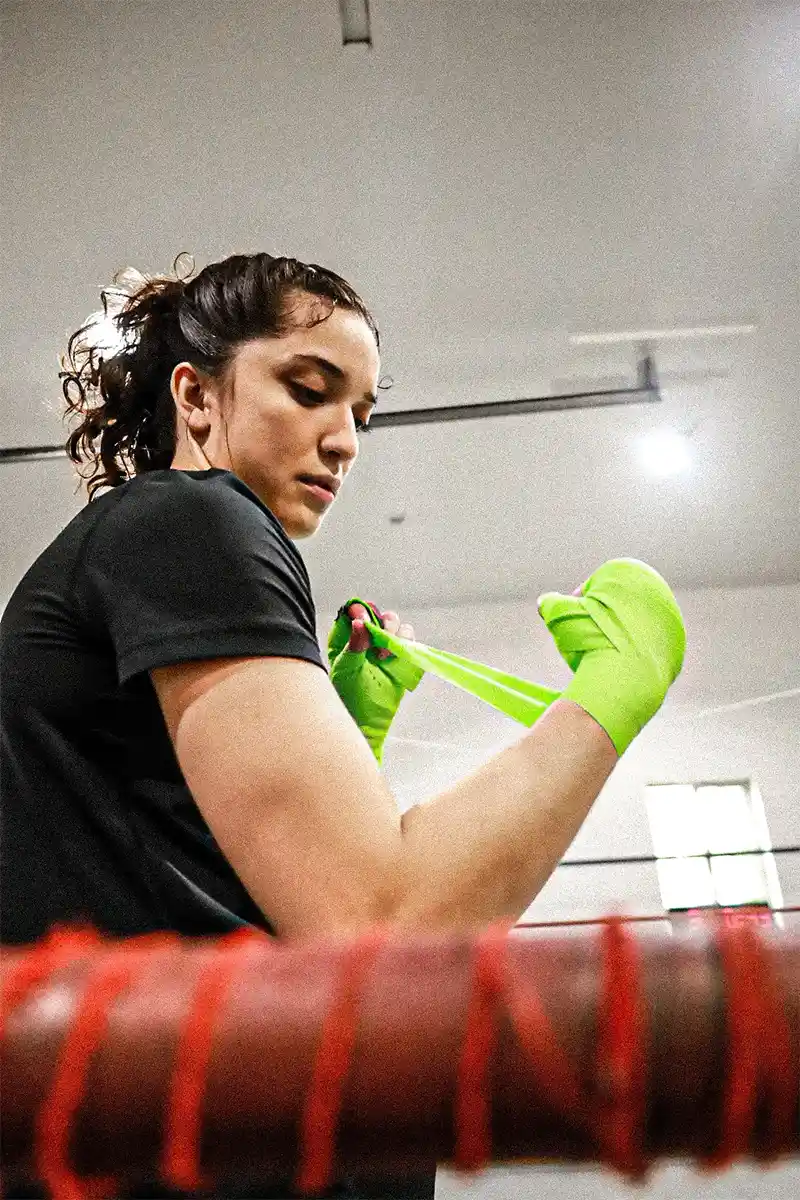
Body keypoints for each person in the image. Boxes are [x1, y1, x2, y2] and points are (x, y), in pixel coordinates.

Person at [0, 251, 684, 1199]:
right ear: (195, 396)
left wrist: (352, 731)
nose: (346, 440)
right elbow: (381, 923)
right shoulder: (193, 519)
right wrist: (610, 695)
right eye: (309, 389)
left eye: (361, 414)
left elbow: (187, 873)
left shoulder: (147, 545)